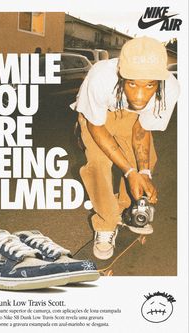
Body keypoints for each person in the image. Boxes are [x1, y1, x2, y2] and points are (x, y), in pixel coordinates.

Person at [71, 36, 179, 260]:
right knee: (99, 163)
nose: (140, 96)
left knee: (146, 164)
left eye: (150, 85)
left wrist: (142, 173)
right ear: (121, 73)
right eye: (132, 84)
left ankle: (129, 211)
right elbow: (97, 128)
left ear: (160, 80)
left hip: (129, 117)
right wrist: (129, 172)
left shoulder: (170, 89)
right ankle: (105, 223)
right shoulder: (100, 77)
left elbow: (141, 131)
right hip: (96, 116)